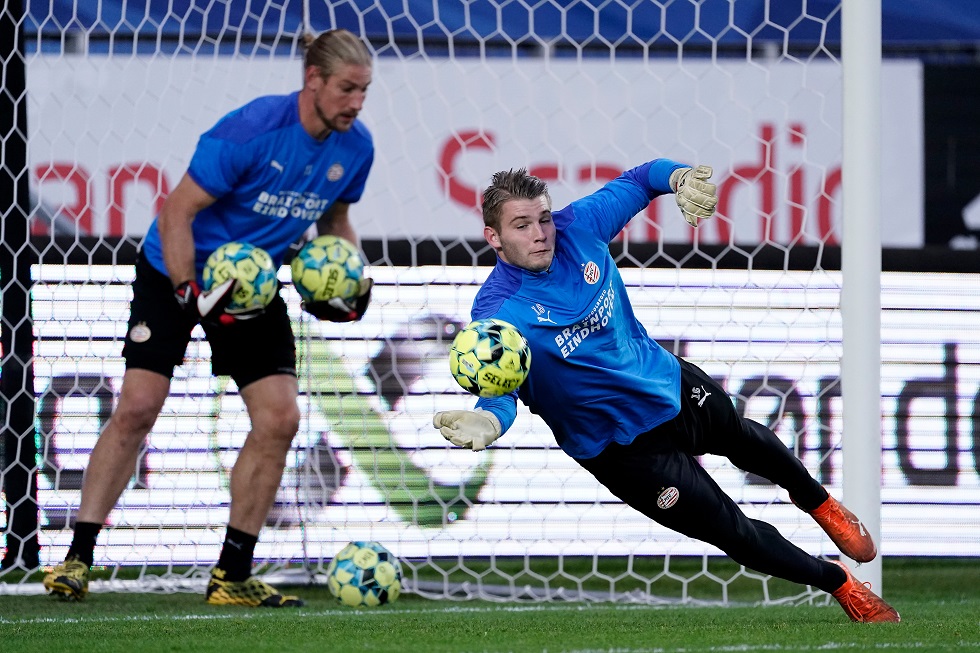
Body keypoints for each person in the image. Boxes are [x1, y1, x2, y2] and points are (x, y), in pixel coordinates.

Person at [433, 162, 901, 623]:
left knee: (740, 437)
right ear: (494, 237)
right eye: (522, 225)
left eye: (544, 219)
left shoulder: (580, 225)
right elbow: (501, 385)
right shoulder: (498, 310)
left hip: (665, 383)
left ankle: (820, 503)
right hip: (618, 449)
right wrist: (490, 420)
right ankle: (840, 583)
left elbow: (640, 179)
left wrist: (679, 178)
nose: (541, 234)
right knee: (733, 534)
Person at [43, 28, 376, 607]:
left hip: (252, 283)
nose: (357, 102)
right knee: (138, 407)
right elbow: (177, 213)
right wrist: (186, 292)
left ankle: (232, 574)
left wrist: (352, 279)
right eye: (347, 88)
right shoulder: (251, 130)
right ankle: (77, 558)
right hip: (175, 269)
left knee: (280, 419)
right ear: (313, 80)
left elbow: (335, 222)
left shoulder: (356, 147)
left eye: (364, 90)